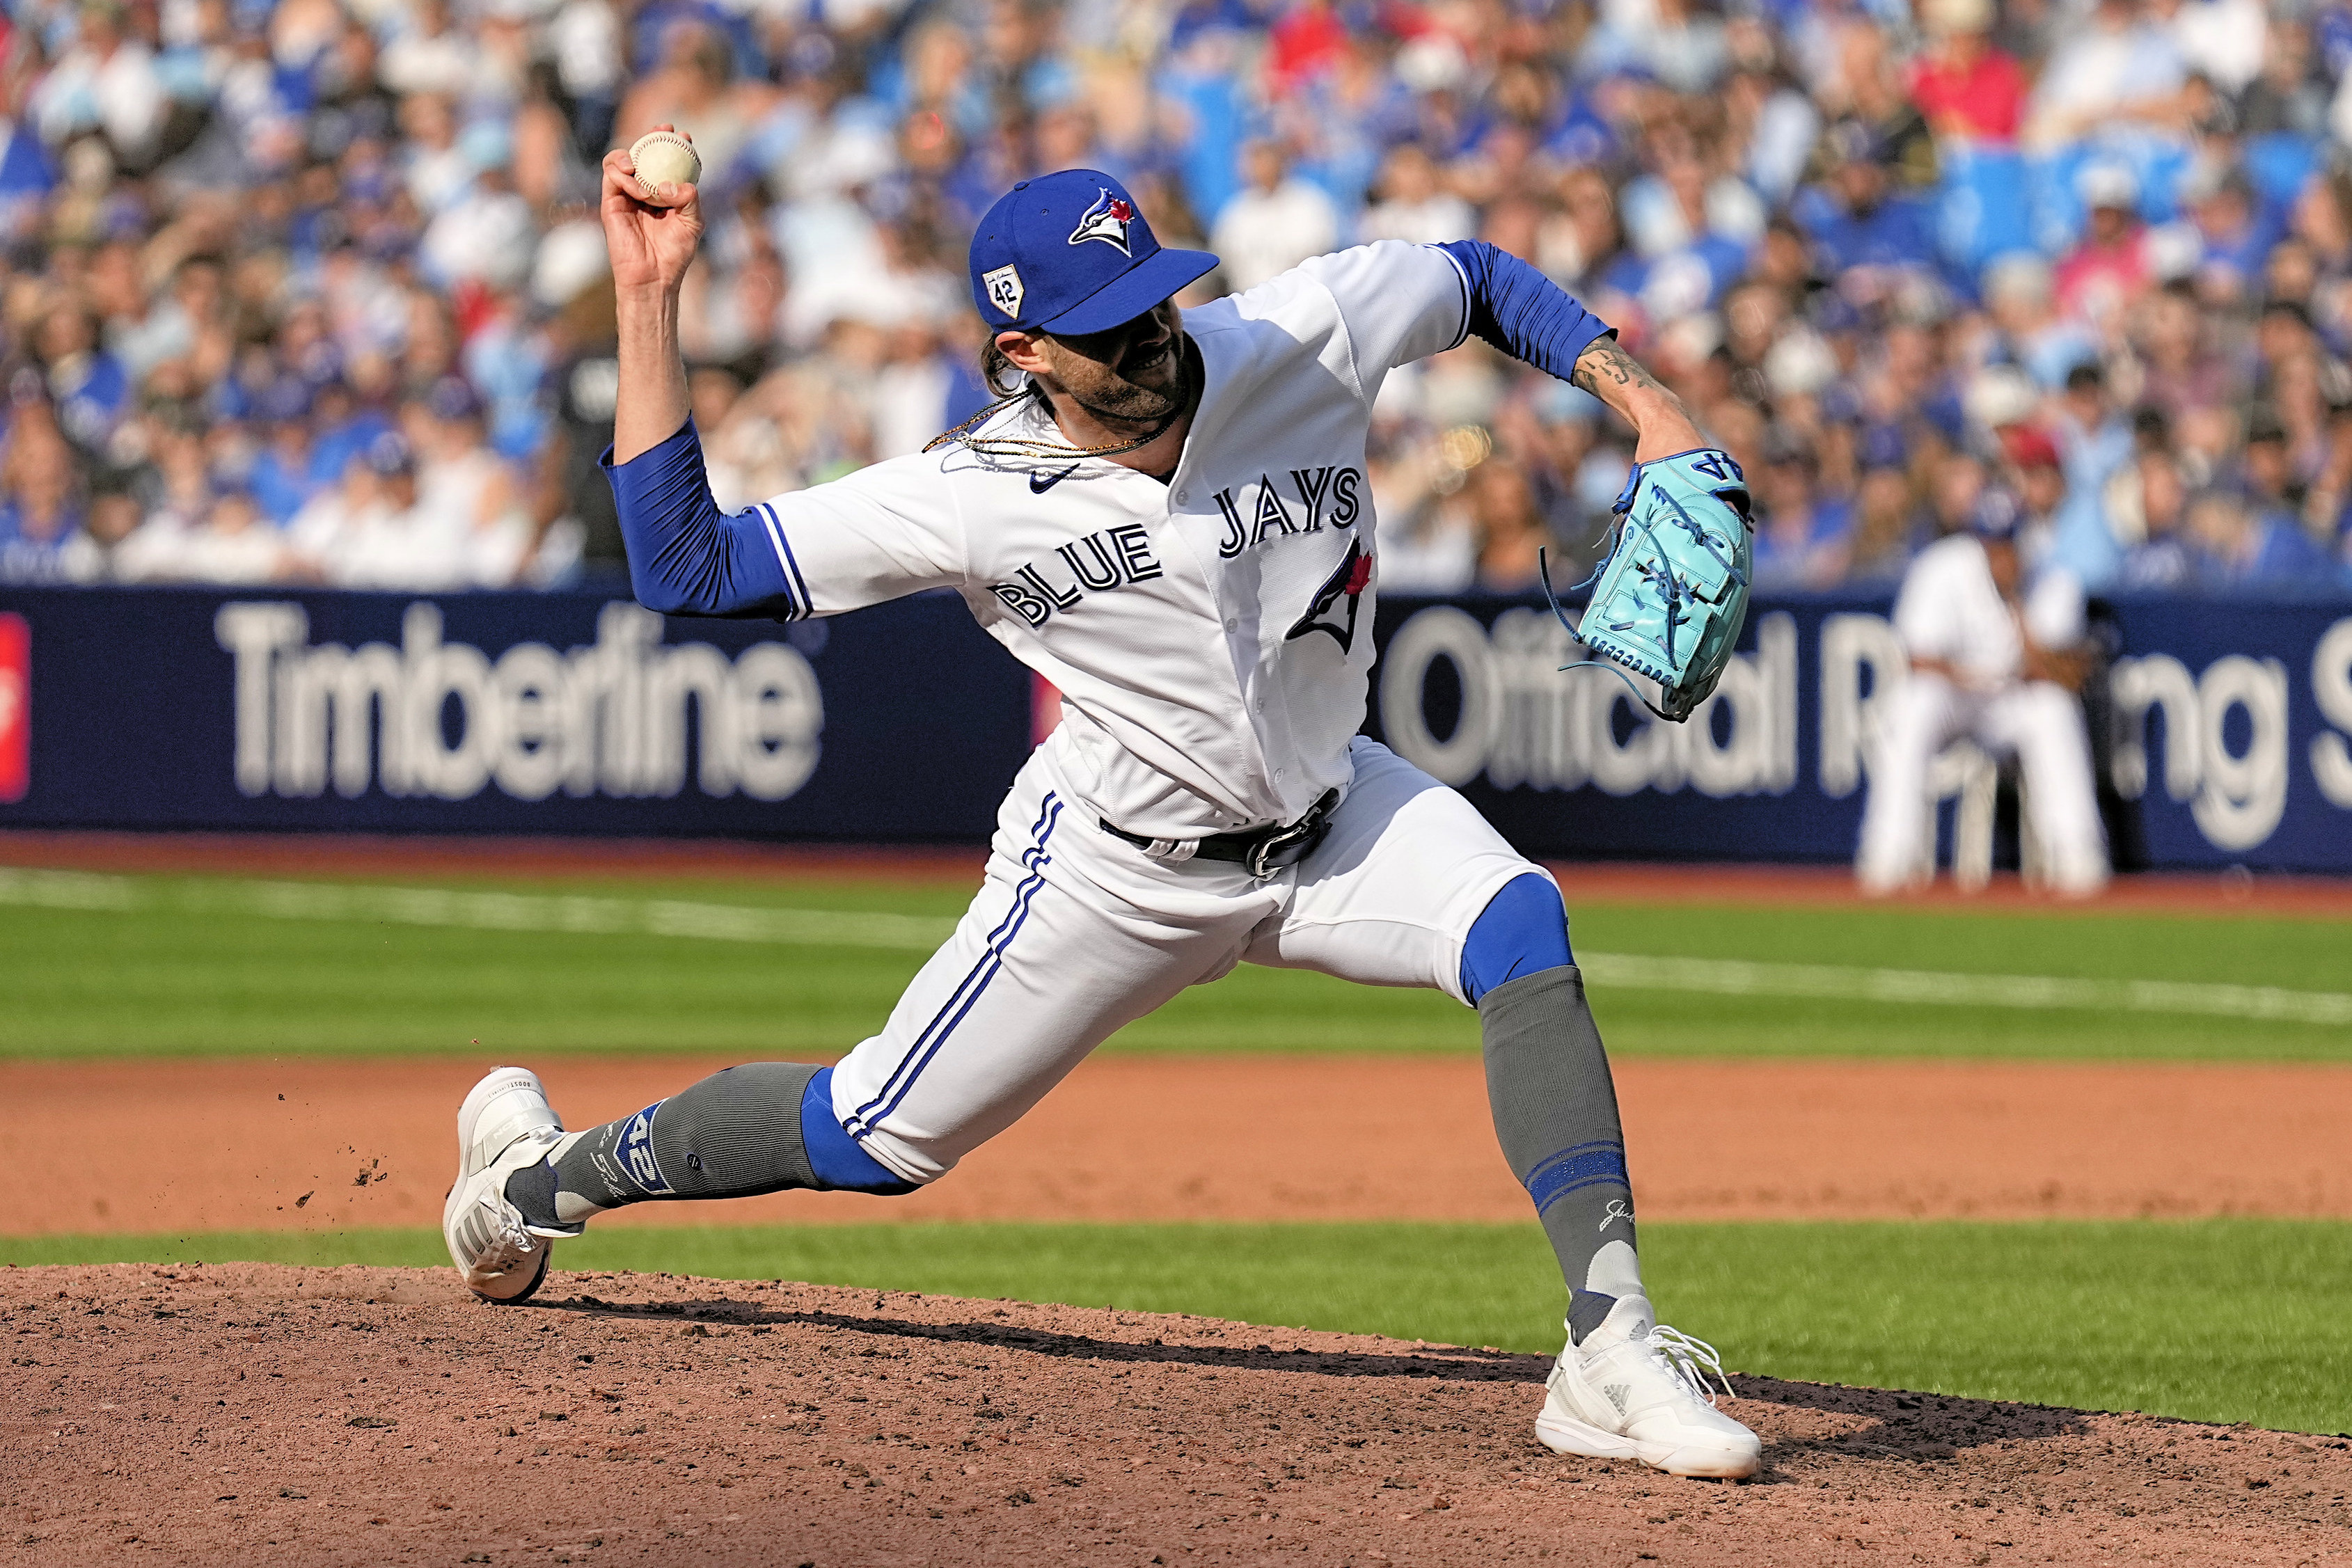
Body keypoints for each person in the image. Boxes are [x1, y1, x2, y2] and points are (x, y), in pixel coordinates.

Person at [442, 141, 1765, 1481]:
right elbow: (684, 568)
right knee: (871, 1135)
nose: (1142, 341)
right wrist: (651, 295)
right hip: (1114, 868)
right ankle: (540, 1174)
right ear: (1021, 353)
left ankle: (1610, 1348)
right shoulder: (968, 496)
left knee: (1517, 922)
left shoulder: (1292, 337)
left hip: (1334, 807)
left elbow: (1471, 277)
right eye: (1098, 331)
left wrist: (1642, 401)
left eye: (1150, 303)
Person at [1855, 506, 2110, 896]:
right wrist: (1977, 678)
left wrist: (2018, 607)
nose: (2000, 554)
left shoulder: (2052, 576)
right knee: (1912, 704)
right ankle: (1889, 856)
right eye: (1992, 544)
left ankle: (2076, 853)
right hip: (1956, 695)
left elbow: (2068, 676)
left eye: (2008, 544)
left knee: (2054, 709)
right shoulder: (1943, 566)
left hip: (2012, 702)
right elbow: (1917, 659)